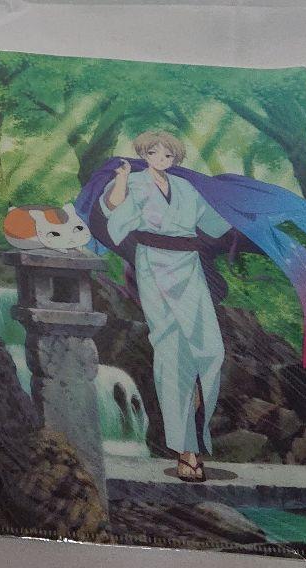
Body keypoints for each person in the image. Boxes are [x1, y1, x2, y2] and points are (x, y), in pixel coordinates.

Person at [101, 130, 230, 483]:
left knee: (211, 352)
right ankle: (187, 451)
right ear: (144, 154)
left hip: (190, 268)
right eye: (154, 153)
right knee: (173, 353)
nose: (161, 159)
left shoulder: (186, 188)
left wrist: (241, 208)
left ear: (175, 158)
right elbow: (113, 209)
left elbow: (215, 224)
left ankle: (196, 436)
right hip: (155, 266)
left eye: (168, 155)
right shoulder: (135, 182)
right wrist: (122, 180)